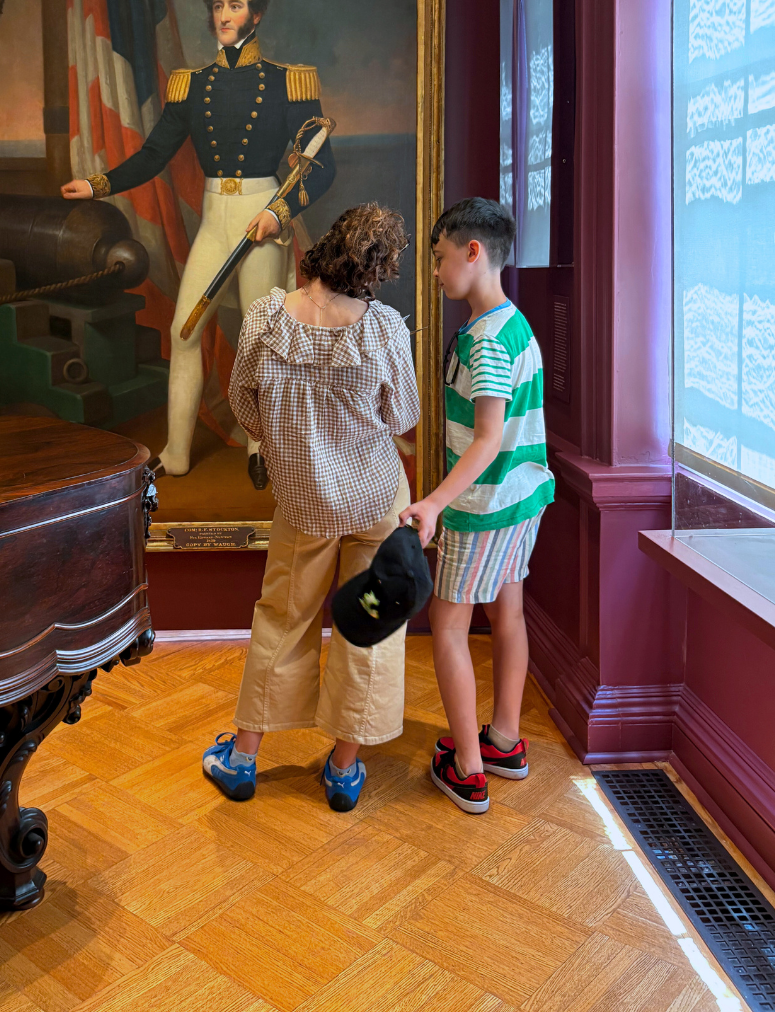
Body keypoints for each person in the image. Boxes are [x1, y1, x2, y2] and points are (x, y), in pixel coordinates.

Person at [60, 0, 336, 489]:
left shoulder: (288, 82)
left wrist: (278, 213)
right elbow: (153, 155)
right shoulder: (193, 85)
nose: (224, 15)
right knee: (184, 330)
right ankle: (177, 452)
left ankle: (261, 448)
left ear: (256, 14)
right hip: (214, 222)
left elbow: (322, 165)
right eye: (218, 5)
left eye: (236, 5)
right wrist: (98, 185)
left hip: (261, 219)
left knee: (261, 339)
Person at [200, 204, 420, 811]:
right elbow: (402, 416)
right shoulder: (383, 329)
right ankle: (343, 771)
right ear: (376, 269)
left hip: (303, 503)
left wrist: (291, 444)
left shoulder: (267, 317)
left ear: (326, 246)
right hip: (376, 500)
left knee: (282, 617)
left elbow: (243, 403)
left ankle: (242, 760)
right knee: (370, 624)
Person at [401, 197, 555, 814]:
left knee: (448, 625)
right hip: (523, 497)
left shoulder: (487, 340)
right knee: (508, 613)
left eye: (440, 258)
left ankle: (467, 768)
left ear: (473, 252)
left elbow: (488, 439)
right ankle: (505, 741)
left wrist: (436, 502)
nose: (437, 272)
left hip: (483, 507)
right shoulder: (514, 324)